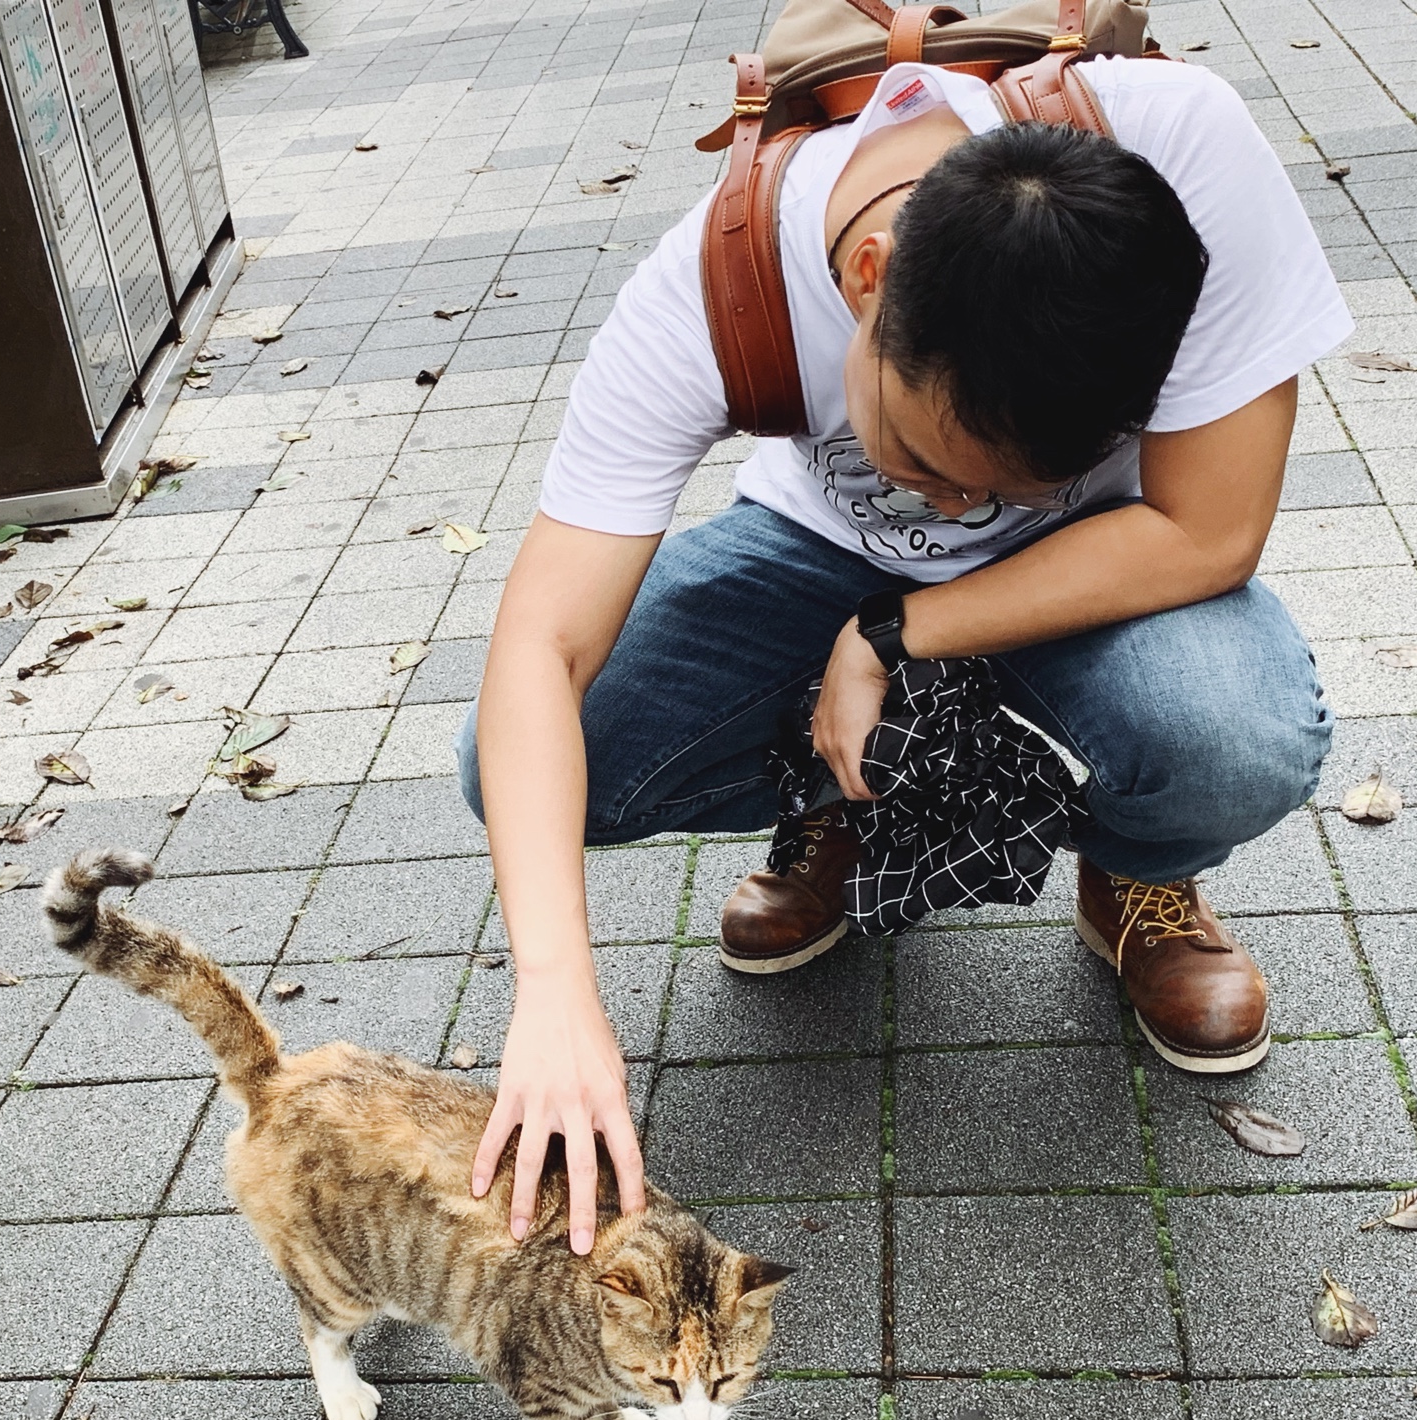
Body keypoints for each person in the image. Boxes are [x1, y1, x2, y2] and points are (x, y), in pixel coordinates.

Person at [455, 55, 1350, 1255]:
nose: (951, 506)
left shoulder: (1186, 153)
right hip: (812, 541)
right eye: (923, 455)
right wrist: (553, 989)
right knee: (535, 757)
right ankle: (837, 795)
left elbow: (1208, 528)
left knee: (1226, 734)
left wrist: (895, 631)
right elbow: (537, 650)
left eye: (998, 484)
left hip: (1099, 564)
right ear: (870, 281)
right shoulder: (714, 282)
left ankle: (1138, 870)